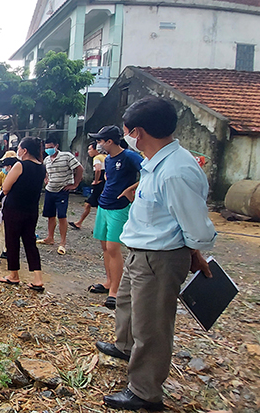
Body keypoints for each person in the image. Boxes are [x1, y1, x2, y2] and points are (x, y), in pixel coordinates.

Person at [96, 97, 216, 411]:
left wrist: (193, 252)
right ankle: (124, 347)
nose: (126, 137)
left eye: (126, 131)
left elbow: (197, 227)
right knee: (127, 305)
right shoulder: (156, 162)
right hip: (140, 251)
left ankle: (145, 391)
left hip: (158, 257)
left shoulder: (175, 170)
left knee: (152, 325)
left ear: (137, 131)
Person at [87, 125, 144, 309]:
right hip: (105, 204)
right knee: (104, 246)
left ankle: (115, 291)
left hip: (119, 207)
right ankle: (109, 282)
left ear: (109, 141)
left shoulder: (129, 156)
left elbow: (150, 172)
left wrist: (131, 190)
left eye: (100, 141)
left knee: (113, 247)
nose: (98, 144)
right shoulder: (109, 159)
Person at [0, 137, 47, 292]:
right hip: (31, 210)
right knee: (30, 242)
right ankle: (38, 279)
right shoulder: (41, 167)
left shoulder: (20, 165)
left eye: (18, 148)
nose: (18, 151)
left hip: (14, 208)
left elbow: (5, 188)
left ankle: (14, 275)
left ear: (24, 150)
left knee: (12, 241)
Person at [37, 137, 83, 255]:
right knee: (50, 215)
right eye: (46, 148)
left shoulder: (66, 156)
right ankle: (50, 238)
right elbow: (45, 171)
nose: (49, 150)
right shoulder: (47, 160)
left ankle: (62, 243)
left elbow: (79, 168)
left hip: (62, 191)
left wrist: (75, 184)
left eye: (51, 147)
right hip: (49, 190)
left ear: (56, 146)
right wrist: (46, 179)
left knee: (62, 216)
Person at [69, 142, 106, 229]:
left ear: (96, 149)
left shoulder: (97, 158)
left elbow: (97, 170)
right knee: (93, 205)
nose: (88, 151)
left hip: (99, 184)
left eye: (90, 149)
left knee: (92, 205)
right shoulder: (106, 157)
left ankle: (98, 226)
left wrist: (96, 181)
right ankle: (80, 222)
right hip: (105, 183)